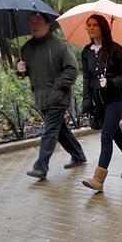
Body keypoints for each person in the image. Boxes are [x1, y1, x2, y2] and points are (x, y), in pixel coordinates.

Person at [16, 13, 87, 180]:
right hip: (41, 98)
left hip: (57, 97)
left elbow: (72, 69)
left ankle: (40, 166)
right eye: (31, 22)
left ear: (48, 25)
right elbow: (23, 73)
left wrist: (56, 86)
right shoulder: (26, 48)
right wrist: (20, 70)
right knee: (60, 130)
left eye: (38, 22)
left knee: (49, 132)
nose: (34, 25)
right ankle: (78, 156)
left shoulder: (59, 45)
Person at [80, 14, 122, 191]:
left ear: (103, 28)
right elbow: (86, 78)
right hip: (99, 102)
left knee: (106, 136)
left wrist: (111, 82)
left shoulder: (116, 50)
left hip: (115, 100)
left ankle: (98, 179)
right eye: (88, 25)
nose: (90, 28)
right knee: (115, 134)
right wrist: (87, 101)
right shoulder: (86, 52)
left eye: (94, 25)